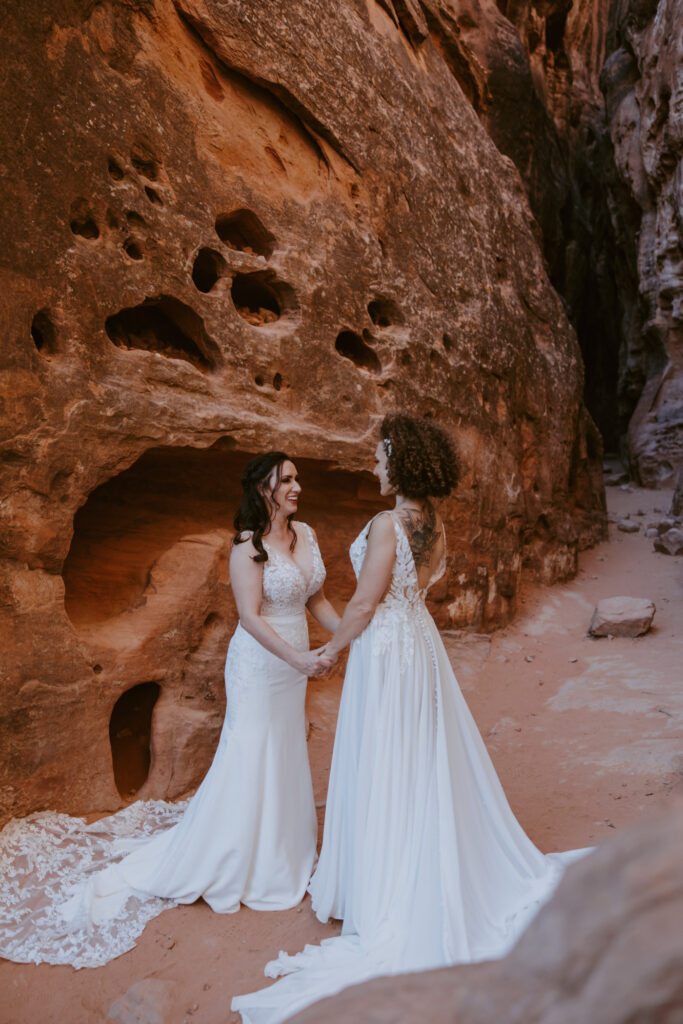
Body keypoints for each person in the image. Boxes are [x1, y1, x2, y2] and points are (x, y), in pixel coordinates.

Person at [232, 415, 590, 1023]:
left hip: (387, 649)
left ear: (400, 463)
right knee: (418, 752)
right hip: (419, 642)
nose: (374, 466)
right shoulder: (435, 524)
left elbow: (367, 602)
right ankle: (412, 852)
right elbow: (408, 592)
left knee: (387, 753)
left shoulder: (387, 523)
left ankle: (390, 879)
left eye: (379, 458)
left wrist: (335, 649)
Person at [0, 452, 338, 969]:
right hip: (261, 663)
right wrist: (297, 657)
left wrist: (347, 636)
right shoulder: (247, 546)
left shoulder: (307, 536)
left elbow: (314, 599)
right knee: (250, 751)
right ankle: (235, 856)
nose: (298, 486)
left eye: (297, 478)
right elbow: (248, 617)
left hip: (295, 663)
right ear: (265, 490)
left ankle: (282, 854)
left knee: (285, 748)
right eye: (287, 480)